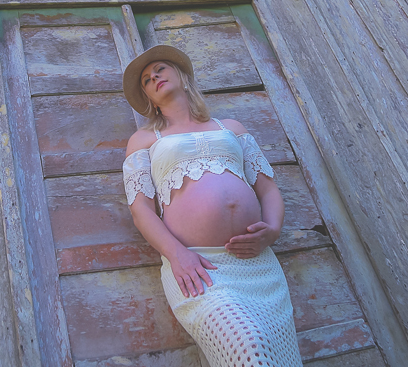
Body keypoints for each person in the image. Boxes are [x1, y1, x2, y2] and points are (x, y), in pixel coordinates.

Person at [121, 45, 301, 367]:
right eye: (147, 80)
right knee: (248, 345)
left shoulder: (231, 128)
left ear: (182, 76)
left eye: (160, 69)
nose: (154, 77)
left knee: (277, 354)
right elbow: (141, 210)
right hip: (197, 267)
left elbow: (268, 189)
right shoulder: (144, 140)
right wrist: (177, 255)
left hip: (256, 263)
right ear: (149, 98)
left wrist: (272, 231)